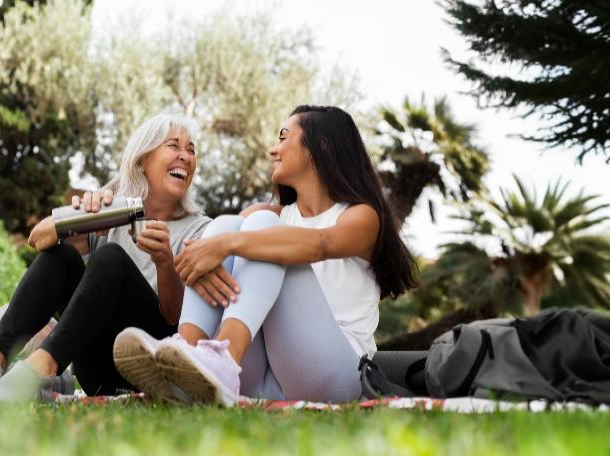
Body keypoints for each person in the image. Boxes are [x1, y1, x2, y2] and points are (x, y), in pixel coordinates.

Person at [113, 105, 418, 405]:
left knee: (257, 228)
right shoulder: (270, 213)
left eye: (284, 137)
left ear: (320, 146)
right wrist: (216, 246)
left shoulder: (360, 216)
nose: (274, 150)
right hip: (264, 378)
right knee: (227, 223)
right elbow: (221, 241)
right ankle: (184, 358)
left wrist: (229, 245)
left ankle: (223, 357)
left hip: (336, 375)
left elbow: (320, 244)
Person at [0, 113, 212, 405]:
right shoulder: (115, 211)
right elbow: (37, 239)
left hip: (150, 365)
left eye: (191, 150)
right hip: (97, 366)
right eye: (174, 146)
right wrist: (81, 219)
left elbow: (181, 322)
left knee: (109, 258)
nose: (185, 156)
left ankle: (36, 373)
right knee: (63, 254)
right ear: (142, 160)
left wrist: (165, 263)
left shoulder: (201, 230)